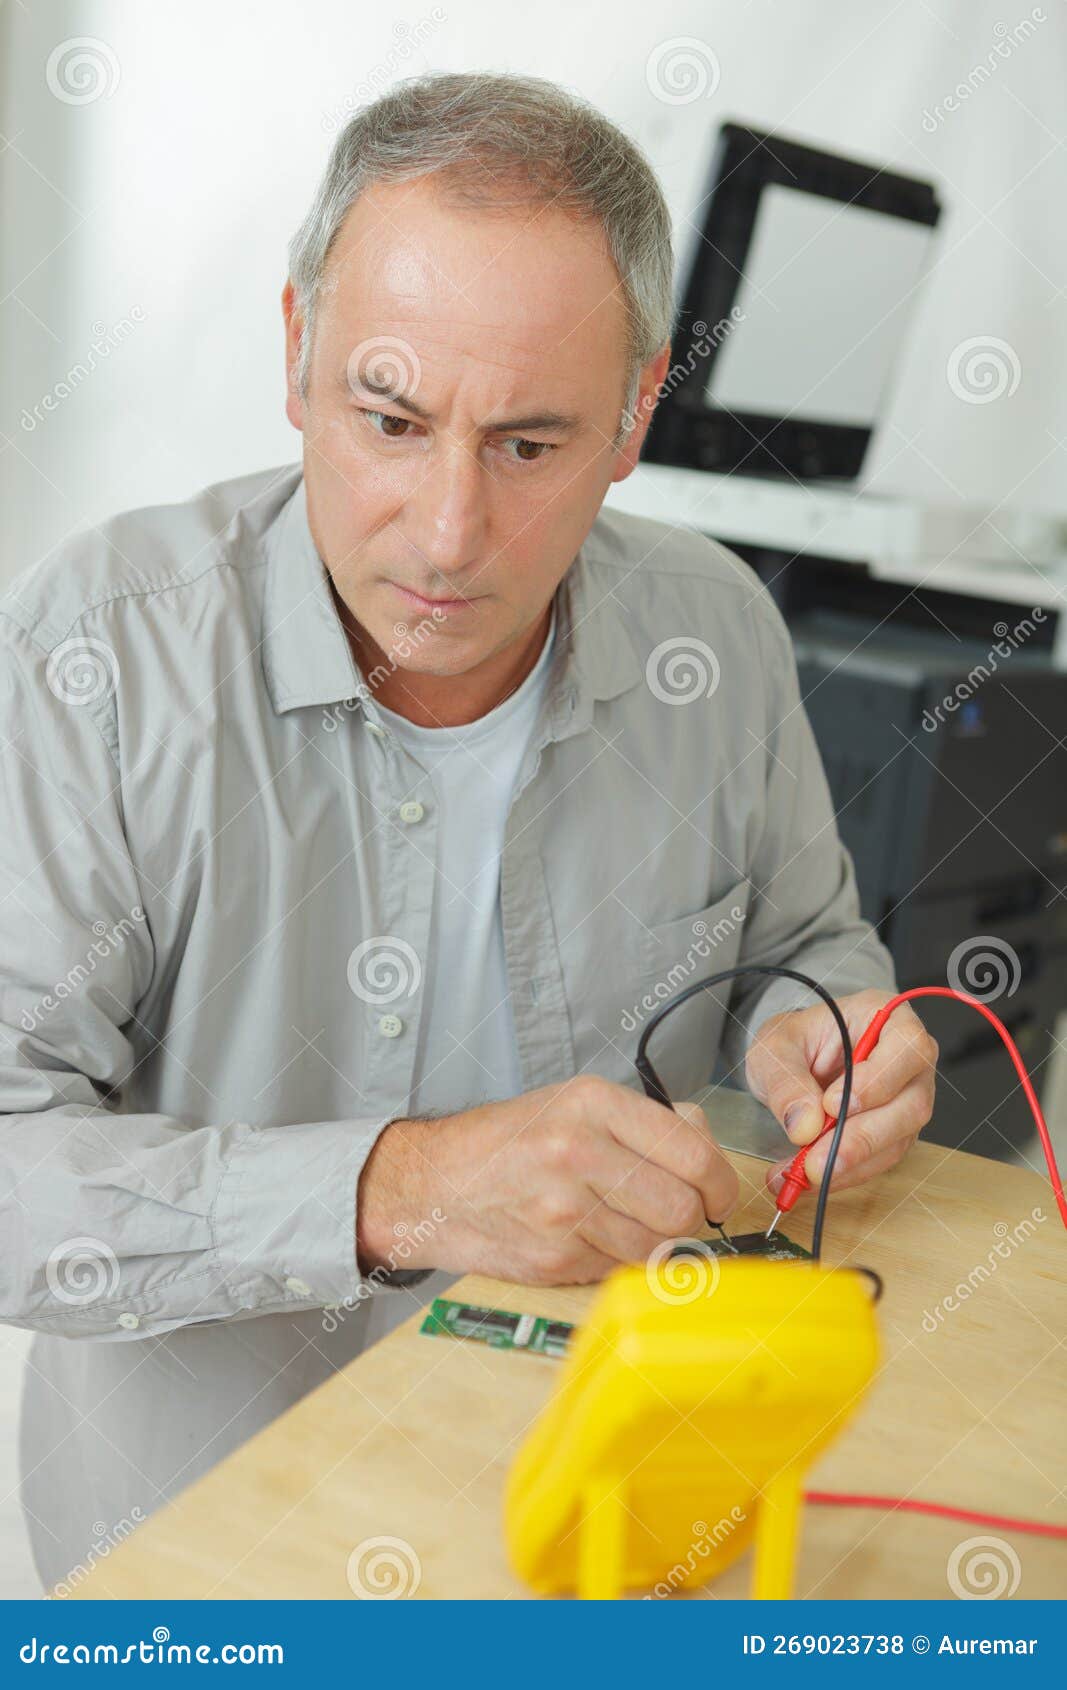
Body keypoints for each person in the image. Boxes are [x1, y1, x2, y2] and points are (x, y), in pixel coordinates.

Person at [0, 72, 937, 1591]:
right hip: (203, 1551)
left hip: (612, 1506)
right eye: (388, 417)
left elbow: (804, 942)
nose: (445, 533)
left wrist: (816, 1034)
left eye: (528, 445)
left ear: (635, 415)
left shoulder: (721, 633)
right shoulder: (88, 661)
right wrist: (403, 1185)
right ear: (297, 352)